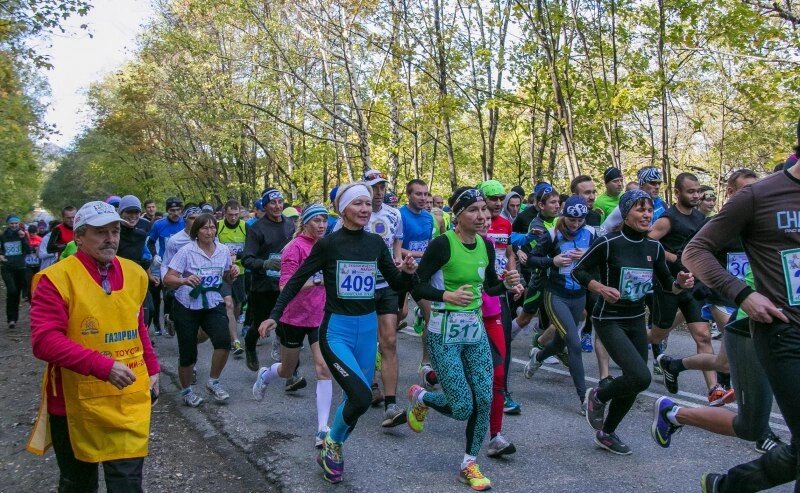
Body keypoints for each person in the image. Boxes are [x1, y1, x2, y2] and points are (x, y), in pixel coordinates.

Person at [258, 182, 417, 484]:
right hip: (337, 331)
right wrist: (274, 316)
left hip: (367, 329)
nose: (364, 209)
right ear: (342, 208)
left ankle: (333, 444)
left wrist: (409, 273)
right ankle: (332, 442)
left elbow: (396, 284)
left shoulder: (374, 244)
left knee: (354, 400)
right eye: (358, 204)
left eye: (368, 204)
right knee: (360, 395)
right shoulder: (329, 244)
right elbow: (295, 281)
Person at [681, 156, 800, 492]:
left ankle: (727, 486)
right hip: (784, 332)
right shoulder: (759, 196)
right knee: (755, 424)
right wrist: (744, 295)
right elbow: (696, 251)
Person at [28, 201, 160, 492]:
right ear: (79, 236)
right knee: (79, 484)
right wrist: (103, 366)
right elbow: (44, 341)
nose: (110, 239)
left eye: (115, 231)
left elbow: (137, 327)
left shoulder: (136, 274)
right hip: (74, 403)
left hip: (126, 398)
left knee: (127, 483)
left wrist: (152, 368)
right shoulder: (56, 280)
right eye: (100, 232)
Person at [408, 186, 521, 491]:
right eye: (474, 210)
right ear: (458, 216)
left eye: (484, 209)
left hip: (474, 331)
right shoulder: (442, 245)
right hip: (443, 333)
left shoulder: (485, 245)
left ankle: (469, 463)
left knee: (483, 399)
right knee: (461, 407)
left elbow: (489, 288)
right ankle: (422, 397)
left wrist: (507, 284)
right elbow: (416, 286)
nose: (483, 215)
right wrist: (446, 295)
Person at [573, 190, 694, 455]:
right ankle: (598, 396)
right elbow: (578, 270)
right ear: (626, 213)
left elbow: (667, 285)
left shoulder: (654, 247)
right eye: (640, 210)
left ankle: (606, 432)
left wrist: (680, 284)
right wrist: (599, 287)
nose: (647, 215)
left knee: (638, 380)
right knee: (640, 375)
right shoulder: (609, 243)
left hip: (636, 318)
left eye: (649, 210)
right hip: (609, 318)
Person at [252, 204, 334, 448]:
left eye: (324, 221)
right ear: (305, 222)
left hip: (319, 315)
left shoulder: (327, 245)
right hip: (293, 317)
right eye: (317, 220)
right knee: (287, 370)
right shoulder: (294, 248)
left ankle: (322, 429)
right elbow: (285, 284)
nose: (321, 225)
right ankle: (266, 375)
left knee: (322, 367)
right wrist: (318, 279)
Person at [337, 169, 407, 427]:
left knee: (389, 340)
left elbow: (397, 243)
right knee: (364, 342)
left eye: (382, 188)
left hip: (386, 283)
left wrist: (398, 262)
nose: (378, 193)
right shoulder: (349, 213)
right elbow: (337, 246)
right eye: (373, 188)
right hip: (359, 287)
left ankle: (391, 405)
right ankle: (369, 385)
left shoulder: (394, 214)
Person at [647, 172, 719, 400]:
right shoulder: (668, 219)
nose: (696, 195)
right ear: (677, 193)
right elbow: (647, 242)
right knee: (657, 335)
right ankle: (628, 342)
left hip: (693, 287)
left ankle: (714, 390)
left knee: (703, 336)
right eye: (691, 191)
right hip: (669, 286)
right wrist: (672, 258)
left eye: (698, 191)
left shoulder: (701, 219)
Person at [523, 196, 595, 413]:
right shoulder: (552, 234)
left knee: (560, 342)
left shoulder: (591, 234)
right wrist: (552, 262)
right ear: (565, 216)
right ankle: (585, 399)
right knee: (573, 343)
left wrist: (588, 256)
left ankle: (539, 356)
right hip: (555, 295)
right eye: (572, 219)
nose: (575, 224)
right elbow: (530, 258)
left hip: (579, 295)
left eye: (580, 220)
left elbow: (601, 261)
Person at [163, 213, 240, 406]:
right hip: (187, 306)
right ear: (196, 231)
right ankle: (187, 391)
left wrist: (232, 273)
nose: (209, 231)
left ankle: (213, 382)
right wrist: (183, 280)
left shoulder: (223, 250)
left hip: (213, 303)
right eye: (205, 228)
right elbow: (168, 278)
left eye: (213, 227)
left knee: (223, 343)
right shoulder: (186, 251)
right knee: (188, 353)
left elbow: (226, 278)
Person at [241, 188, 295, 372]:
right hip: (263, 286)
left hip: (285, 285)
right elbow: (246, 259)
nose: (278, 206)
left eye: (280, 201)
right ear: (265, 205)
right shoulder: (256, 228)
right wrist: (265, 264)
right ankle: (249, 345)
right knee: (260, 324)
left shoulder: (290, 224)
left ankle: (291, 372)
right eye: (273, 203)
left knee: (287, 325)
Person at [398, 179, 437, 389]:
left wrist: (428, 256)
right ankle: (378, 346)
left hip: (420, 274)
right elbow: (394, 247)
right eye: (418, 194)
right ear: (409, 195)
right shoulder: (399, 216)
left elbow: (429, 244)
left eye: (425, 194)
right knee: (402, 314)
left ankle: (426, 364)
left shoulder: (429, 218)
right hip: (401, 271)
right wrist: (418, 253)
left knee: (432, 315)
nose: (423, 198)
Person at [147, 197, 185, 336]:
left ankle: (173, 319)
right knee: (168, 294)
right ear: (167, 211)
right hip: (166, 265)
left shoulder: (186, 223)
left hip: (184, 266)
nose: (175, 213)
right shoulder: (159, 225)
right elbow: (150, 242)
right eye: (172, 210)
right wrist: (154, 255)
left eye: (178, 210)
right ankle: (163, 321)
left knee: (180, 295)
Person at [217, 200, 248, 357]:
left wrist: (238, 255)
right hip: (223, 272)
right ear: (224, 213)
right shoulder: (218, 226)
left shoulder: (245, 226)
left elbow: (250, 248)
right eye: (230, 215)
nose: (233, 218)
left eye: (236, 215)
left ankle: (231, 328)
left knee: (238, 304)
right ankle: (233, 339)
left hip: (240, 271)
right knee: (228, 303)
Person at [1, 215, 31, 328]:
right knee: (12, 290)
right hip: (7, 268)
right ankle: (11, 319)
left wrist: (23, 238)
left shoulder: (22, 235)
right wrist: (1, 256)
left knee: (18, 292)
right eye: (11, 223)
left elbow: (28, 250)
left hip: (20, 267)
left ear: (19, 224)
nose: (14, 225)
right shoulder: (3, 236)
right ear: (8, 224)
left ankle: (13, 319)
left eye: (16, 223)